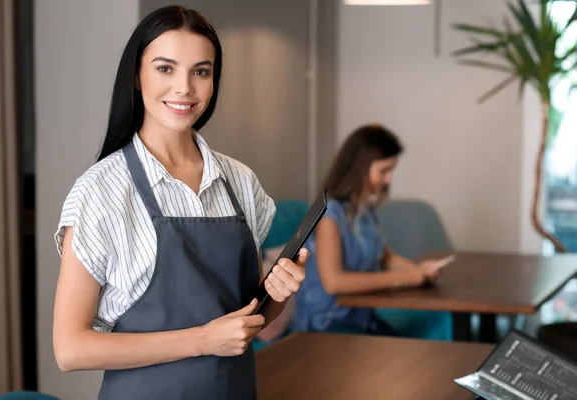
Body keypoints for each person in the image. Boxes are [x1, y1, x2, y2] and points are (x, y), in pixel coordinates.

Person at [52, 6, 307, 399]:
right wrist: (203, 340)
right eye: (165, 68)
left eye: (200, 71)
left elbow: (249, 320)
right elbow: (70, 349)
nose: (184, 88)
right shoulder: (100, 192)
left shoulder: (240, 181)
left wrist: (278, 292)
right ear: (137, 76)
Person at [292, 124, 447, 335]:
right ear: (359, 168)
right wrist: (406, 277)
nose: (389, 179)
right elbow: (333, 282)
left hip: (360, 318)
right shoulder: (328, 216)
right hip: (327, 325)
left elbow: (386, 258)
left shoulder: (364, 213)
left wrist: (419, 271)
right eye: (384, 171)